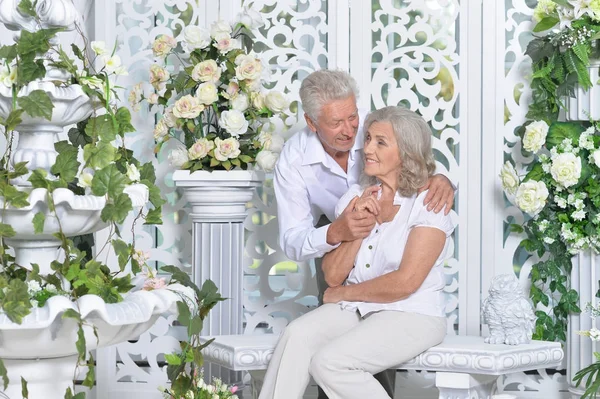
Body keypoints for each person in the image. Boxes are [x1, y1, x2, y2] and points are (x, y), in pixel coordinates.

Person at [270, 69, 455, 398]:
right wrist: (349, 228)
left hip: (409, 310)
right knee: (297, 335)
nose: (360, 140)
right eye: (366, 138)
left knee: (331, 362)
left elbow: (406, 282)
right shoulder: (300, 163)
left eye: (357, 123)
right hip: (348, 277)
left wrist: (439, 177)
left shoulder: (426, 202)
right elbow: (309, 254)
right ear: (313, 123)